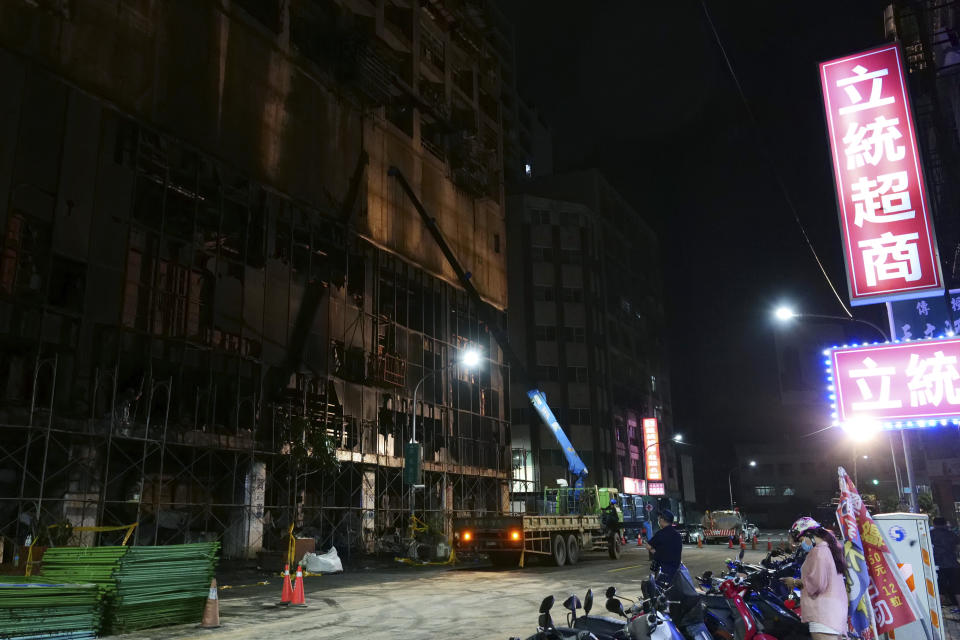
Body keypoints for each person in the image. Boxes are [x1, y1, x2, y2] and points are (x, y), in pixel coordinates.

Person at [780, 517, 847, 640]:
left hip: (823, 616)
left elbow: (816, 585)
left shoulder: (819, 552)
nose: (801, 544)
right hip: (835, 615)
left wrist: (794, 582)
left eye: (801, 540)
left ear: (809, 535)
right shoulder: (830, 549)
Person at [931, 516, 960, 614]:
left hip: (938, 565)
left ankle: (937, 613)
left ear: (934, 524)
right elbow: (957, 546)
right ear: (945, 524)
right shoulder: (951, 534)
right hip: (953, 564)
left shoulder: (930, 534)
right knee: (956, 588)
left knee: (939, 588)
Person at [645, 509, 682, 579]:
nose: (658, 520)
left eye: (659, 518)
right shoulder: (677, 534)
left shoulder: (660, 534)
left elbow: (648, 546)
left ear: (662, 520)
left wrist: (655, 552)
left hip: (662, 571)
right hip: (676, 571)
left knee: (659, 588)